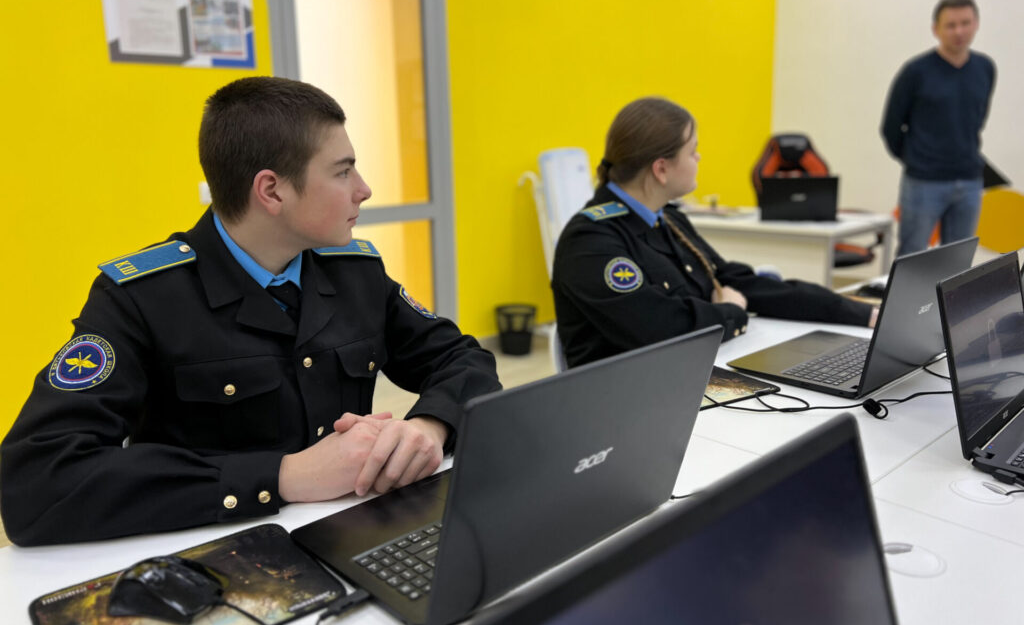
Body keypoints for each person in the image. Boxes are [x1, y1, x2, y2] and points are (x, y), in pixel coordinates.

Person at [0, 77, 501, 546]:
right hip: (215, 553)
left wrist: (429, 427)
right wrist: (285, 476)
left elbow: (464, 359)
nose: (363, 189)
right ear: (272, 191)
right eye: (342, 171)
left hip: (348, 535)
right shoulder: (143, 298)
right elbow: (35, 482)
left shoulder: (354, 273)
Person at [551, 97, 875, 369]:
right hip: (626, 405)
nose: (699, 157)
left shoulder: (668, 220)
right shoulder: (591, 241)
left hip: (683, 377)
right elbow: (660, 329)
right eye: (692, 151)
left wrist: (859, 313)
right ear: (661, 169)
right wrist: (732, 312)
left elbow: (742, 283)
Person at [881, 0, 996, 256]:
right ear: (936, 29)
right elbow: (890, 127)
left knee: (958, 259)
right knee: (912, 256)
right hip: (923, 181)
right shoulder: (916, 71)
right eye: (951, 25)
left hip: (969, 180)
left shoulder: (985, 68)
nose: (959, 31)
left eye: (965, 23)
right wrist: (917, 159)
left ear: (976, 24)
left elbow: (977, 118)